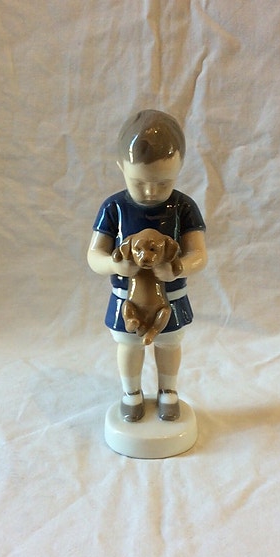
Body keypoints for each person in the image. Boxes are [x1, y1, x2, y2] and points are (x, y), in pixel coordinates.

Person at [87, 109, 207, 422]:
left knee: (168, 343)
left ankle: (168, 391)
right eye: (139, 182)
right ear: (121, 167)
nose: (152, 191)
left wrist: (178, 268)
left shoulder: (183, 207)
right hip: (127, 298)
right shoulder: (114, 207)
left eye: (164, 182)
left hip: (171, 297)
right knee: (129, 344)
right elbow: (94, 255)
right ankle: (132, 393)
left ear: (180, 168)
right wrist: (115, 266)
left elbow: (199, 254)